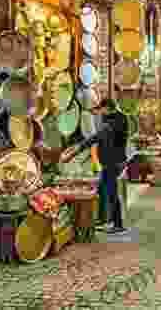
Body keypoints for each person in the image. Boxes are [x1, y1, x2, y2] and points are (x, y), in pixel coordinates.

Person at [33, 98, 129, 234]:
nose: (100, 112)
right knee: (102, 189)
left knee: (111, 192)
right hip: (113, 161)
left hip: (112, 162)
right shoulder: (117, 118)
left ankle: (117, 224)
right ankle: (105, 221)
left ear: (107, 108)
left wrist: (75, 151)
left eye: (101, 109)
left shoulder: (114, 122)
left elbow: (95, 138)